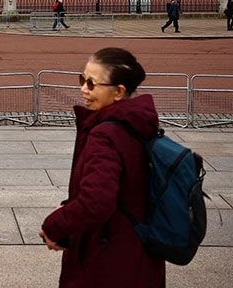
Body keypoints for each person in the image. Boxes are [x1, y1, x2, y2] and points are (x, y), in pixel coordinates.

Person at [39, 47, 164, 287]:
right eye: (82, 79)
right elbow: (125, 188)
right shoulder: (138, 123)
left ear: (118, 92)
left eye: (92, 84)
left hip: (106, 261)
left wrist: (54, 226)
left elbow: (96, 203)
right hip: (138, 254)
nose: (83, 89)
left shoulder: (105, 134)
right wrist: (69, 207)